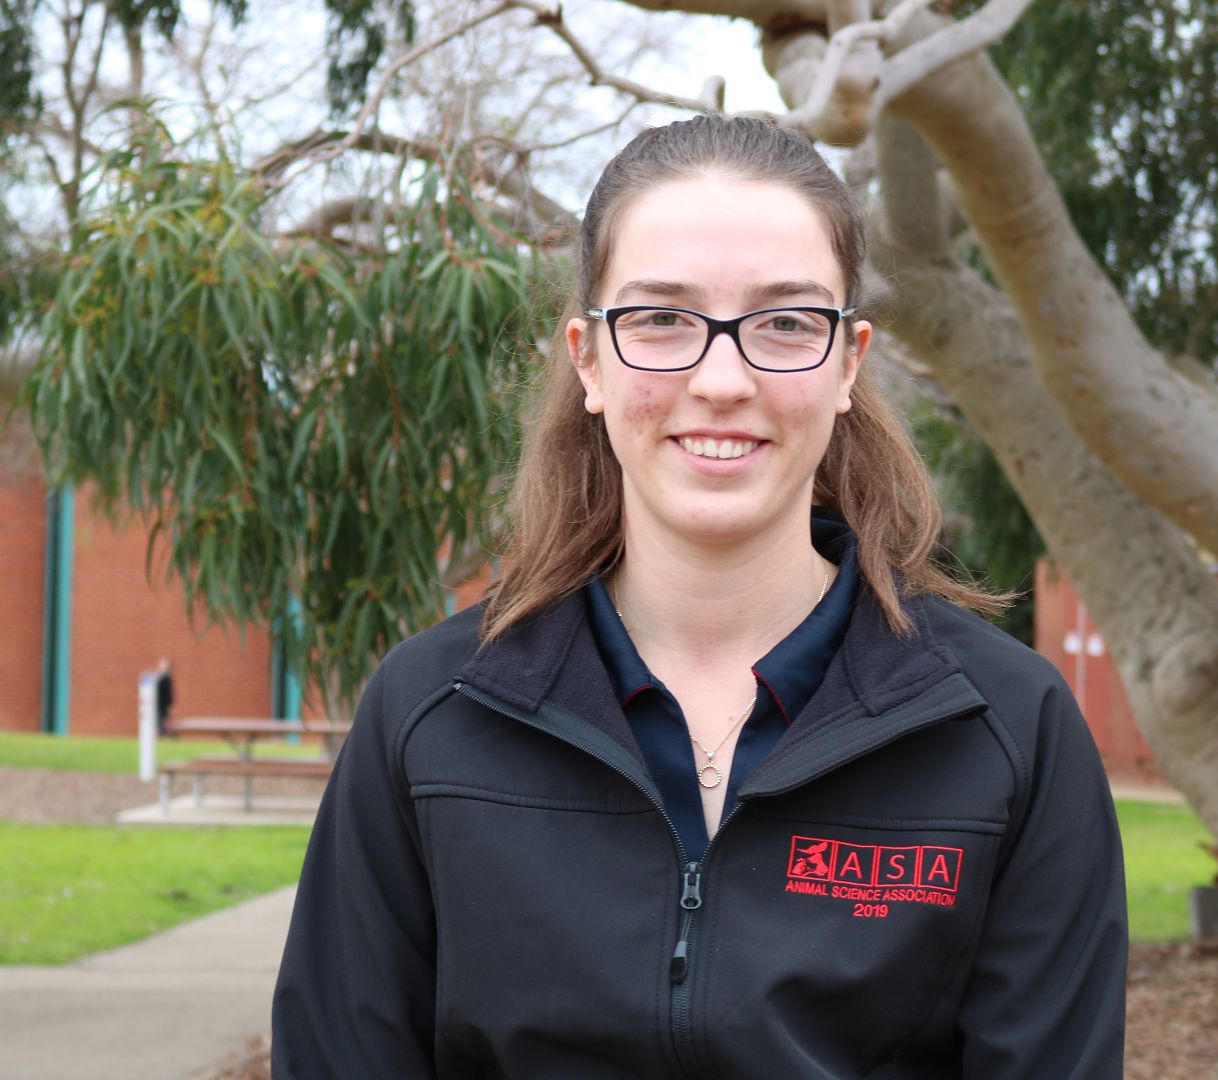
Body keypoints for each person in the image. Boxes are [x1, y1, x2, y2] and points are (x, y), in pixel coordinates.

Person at [271, 115, 1127, 1078]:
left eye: (788, 323)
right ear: (589, 359)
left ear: (849, 363)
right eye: (661, 319)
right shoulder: (428, 714)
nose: (723, 379)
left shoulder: (1009, 730)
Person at [152, 658, 173, 736]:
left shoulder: (167, 679)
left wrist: (169, 705)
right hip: (156, 705)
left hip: (163, 706)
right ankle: (160, 735)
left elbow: (169, 694)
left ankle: (162, 735)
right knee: (158, 722)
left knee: (162, 722)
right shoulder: (158, 678)